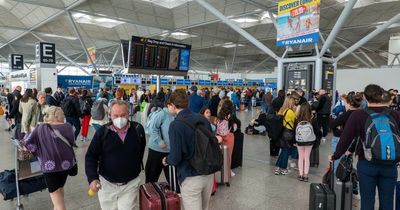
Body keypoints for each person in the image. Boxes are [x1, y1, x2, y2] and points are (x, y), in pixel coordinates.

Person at [331, 84, 399, 210]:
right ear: (381, 95)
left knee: (367, 201)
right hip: (390, 164)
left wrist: (336, 155)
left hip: (367, 163)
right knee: (387, 202)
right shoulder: (395, 114)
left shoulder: (358, 115)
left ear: (365, 98)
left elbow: (346, 139)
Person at [85, 100, 146, 210]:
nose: (119, 118)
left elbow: (140, 151)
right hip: (106, 184)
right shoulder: (102, 133)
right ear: (110, 115)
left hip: (130, 184)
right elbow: (91, 156)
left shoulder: (138, 130)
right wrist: (93, 178)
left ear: (129, 113)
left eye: (123, 115)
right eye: (116, 115)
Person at [162, 89, 213, 210]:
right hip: (208, 174)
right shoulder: (203, 119)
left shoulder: (175, 125)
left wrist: (166, 160)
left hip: (190, 176)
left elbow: (175, 157)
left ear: (173, 106)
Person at [21, 106, 77, 210]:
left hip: (49, 166)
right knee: (60, 188)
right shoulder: (68, 126)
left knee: (57, 198)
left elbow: (27, 145)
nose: (64, 115)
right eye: (62, 114)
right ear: (56, 115)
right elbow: (72, 141)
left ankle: (58, 206)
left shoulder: (40, 128)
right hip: (66, 165)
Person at [330, 93, 362, 172]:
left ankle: (336, 181)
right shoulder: (361, 114)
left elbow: (332, 124)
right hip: (354, 142)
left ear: (349, 104)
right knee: (347, 162)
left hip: (340, 139)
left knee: (337, 163)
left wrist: (339, 128)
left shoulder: (347, 114)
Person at [144, 105, 174, 184]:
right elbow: (152, 128)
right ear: (169, 104)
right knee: (152, 177)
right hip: (156, 150)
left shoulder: (176, 115)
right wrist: (159, 141)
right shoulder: (162, 114)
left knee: (172, 178)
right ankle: (150, 195)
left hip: (170, 152)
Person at [295, 103, 321, 182]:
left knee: (301, 157)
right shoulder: (312, 118)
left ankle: (300, 174)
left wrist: (294, 140)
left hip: (299, 141)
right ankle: (306, 175)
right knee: (306, 157)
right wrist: (317, 140)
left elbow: (294, 131)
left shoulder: (297, 118)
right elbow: (317, 131)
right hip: (310, 141)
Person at [275, 96, 298, 175]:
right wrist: (295, 111)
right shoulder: (290, 112)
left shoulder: (283, 110)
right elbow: (295, 120)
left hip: (283, 133)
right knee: (285, 152)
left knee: (283, 151)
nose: (294, 103)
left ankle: (278, 167)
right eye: (293, 102)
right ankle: (283, 168)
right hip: (289, 134)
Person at [216, 99, 236, 177]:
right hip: (229, 137)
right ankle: (228, 172)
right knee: (228, 156)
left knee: (221, 155)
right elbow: (234, 127)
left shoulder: (219, 114)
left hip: (220, 137)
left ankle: (221, 172)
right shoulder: (230, 115)